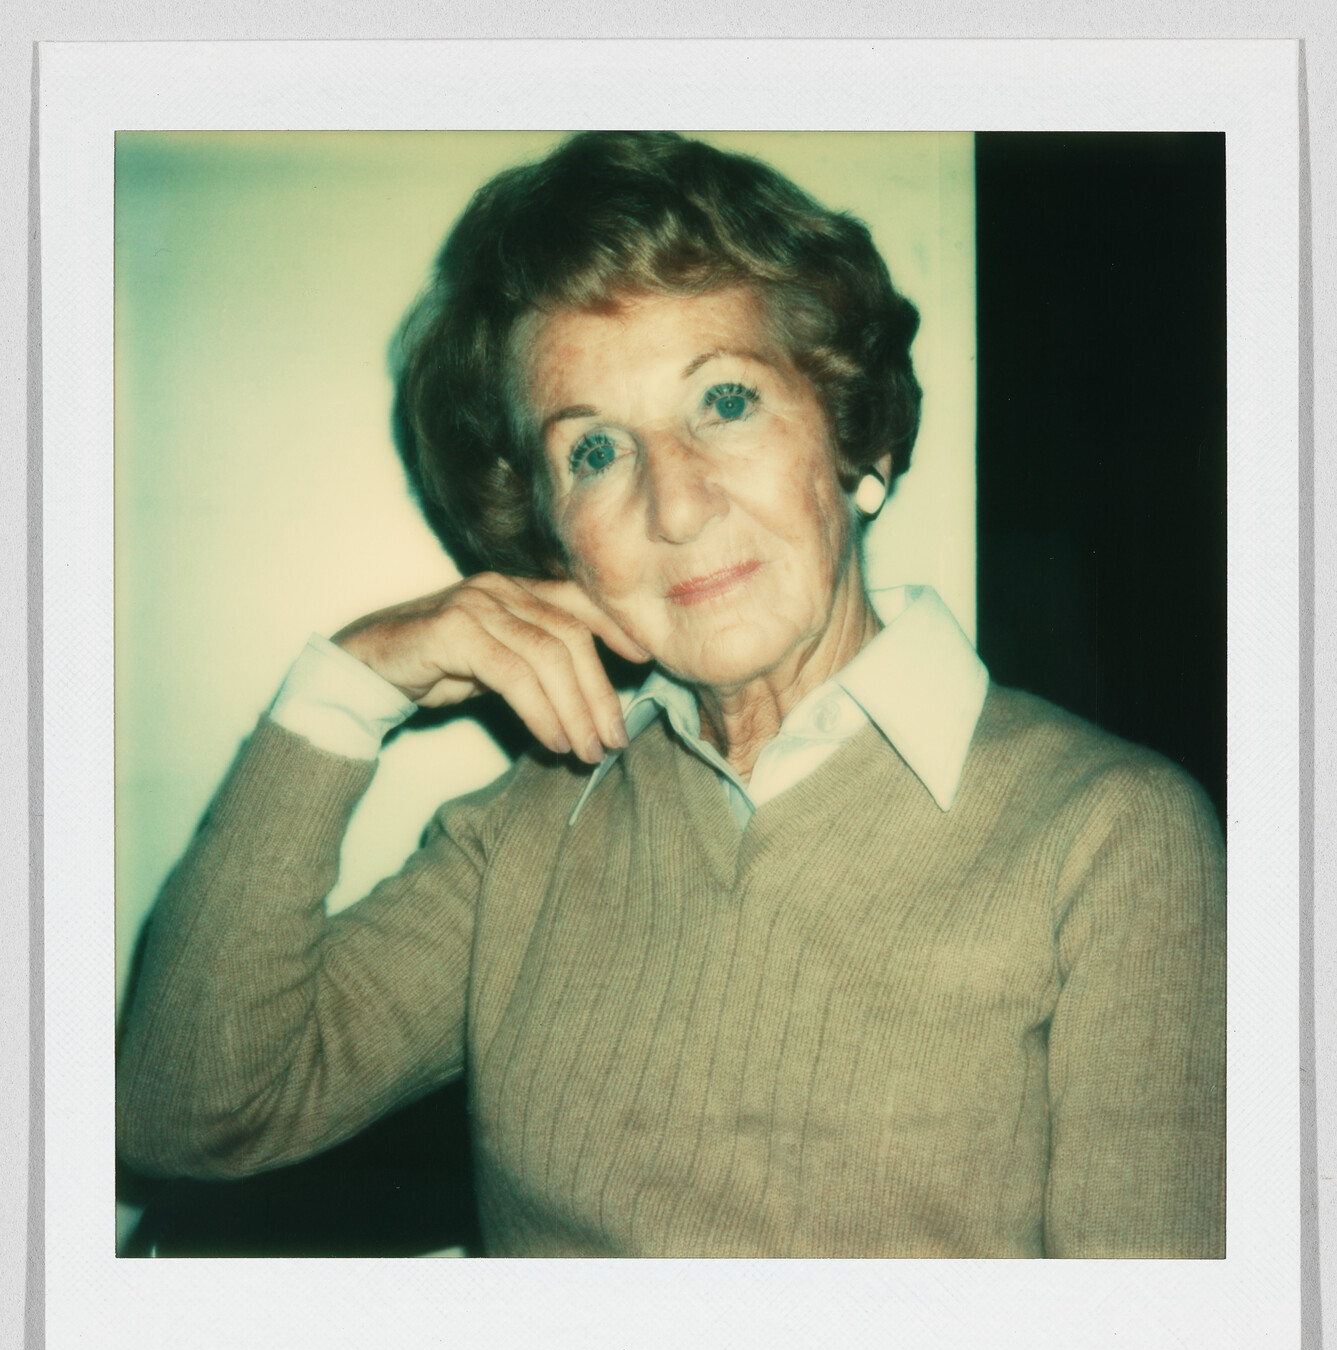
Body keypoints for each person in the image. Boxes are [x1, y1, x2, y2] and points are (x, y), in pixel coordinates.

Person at [116, 131, 1225, 1258]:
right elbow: (187, 1114)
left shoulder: (1109, 838)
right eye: (594, 452)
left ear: (852, 436)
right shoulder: (533, 829)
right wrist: (347, 687)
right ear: (551, 538)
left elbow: (1141, 1349)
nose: (677, 505)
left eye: (725, 400)